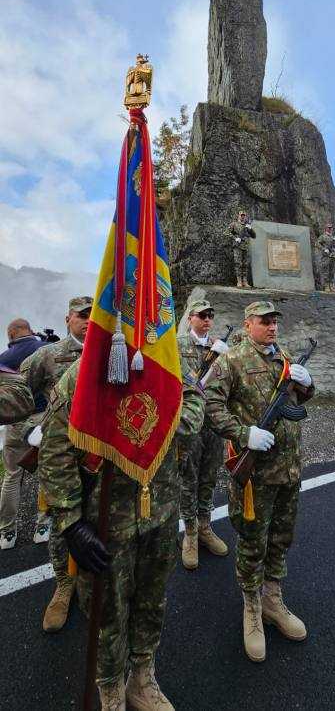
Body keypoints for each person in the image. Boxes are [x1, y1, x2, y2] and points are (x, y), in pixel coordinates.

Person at [39, 353, 205, 711]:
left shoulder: (167, 360)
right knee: (106, 610)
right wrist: (69, 521)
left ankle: (142, 677)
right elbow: (54, 448)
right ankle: (111, 686)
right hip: (105, 520)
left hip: (159, 511)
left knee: (151, 601)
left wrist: (153, 414)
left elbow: (195, 407)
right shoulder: (85, 368)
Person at [204, 300, 315, 662]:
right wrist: (241, 433)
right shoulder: (231, 360)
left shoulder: (283, 359)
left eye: (274, 322)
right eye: (264, 322)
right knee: (253, 540)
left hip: (289, 470)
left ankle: (272, 599)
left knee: (281, 539)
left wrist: (308, 384)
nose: (272, 327)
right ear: (247, 323)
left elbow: (298, 401)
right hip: (255, 474)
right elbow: (209, 402)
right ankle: (251, 607)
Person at [15, 296, 93, 632]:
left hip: (97, 458)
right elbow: (18, 397)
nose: (89, 322)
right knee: (62, 521)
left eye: (95, 316)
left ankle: (91, 580)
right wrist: (33, 428)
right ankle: (64, 585)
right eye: (82, 316)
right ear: (67, 319)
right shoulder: (46, 356)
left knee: (95, 520)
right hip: (60, 457)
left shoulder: (108, 355)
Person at [177, 299, 229, 570]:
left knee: (209, 476)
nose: (207, 320)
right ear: (190, 319)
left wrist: (224, 359)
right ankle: (190, 533)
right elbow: (178, 380)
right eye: (201, 315)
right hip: (188, 423)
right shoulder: (178, 345)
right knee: (189, 477)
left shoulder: (220, 347)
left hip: (214, 422)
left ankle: (205, 526)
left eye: (210, 315)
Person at [0, 320, 47, 551]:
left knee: (11, 477)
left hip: (14, 424)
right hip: (41, 421)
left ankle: (7, 533)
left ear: (11, 335)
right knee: (44, 475)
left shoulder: (3, 358)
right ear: (30, 331)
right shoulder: (44, 349)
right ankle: (42, 527)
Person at [229, 211, 256, 288]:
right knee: (238, 264)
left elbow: (254, 236)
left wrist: (250, 229)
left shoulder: (247, 225)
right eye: (241, 215)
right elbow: (227, 233)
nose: (242, 217)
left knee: (245, 264)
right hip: (238, 247)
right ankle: (239, 281)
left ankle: (245, 281)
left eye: (244, 216)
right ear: (238, 216)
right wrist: (235, 238)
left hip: (246, 247)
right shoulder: (234, 224)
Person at [315, 223, 335, 292]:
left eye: (331, 228)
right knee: (326, 271)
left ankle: (331, 286)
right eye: (328, 228)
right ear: (326, 228)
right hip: (326, 256)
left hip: (333, 256)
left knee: (332, 271)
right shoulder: (323, 236)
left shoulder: (334, 237)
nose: (330, 229)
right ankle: (326, 286)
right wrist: (324, 249)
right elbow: (317, 243)